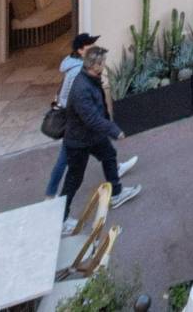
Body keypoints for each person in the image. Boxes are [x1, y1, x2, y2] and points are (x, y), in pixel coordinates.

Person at [58, 45, 142, 225]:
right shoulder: (82, 88)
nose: (104, 65)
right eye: (102, 62)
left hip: (92, 135)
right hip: (79, 140)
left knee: (109, 155)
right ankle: (61, 218)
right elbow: (91, 118)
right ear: (94, 65)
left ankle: (116, 193)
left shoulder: (91, 79)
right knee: (74, 179)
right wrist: (114, 130)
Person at [44, 34, 135, 201]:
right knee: (71, 171)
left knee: (108, 153)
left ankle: (116, 189)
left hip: (88, 130)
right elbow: (80, 106)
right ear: (81, 51)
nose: (93, 47)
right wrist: (112, 129)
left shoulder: (85, 72)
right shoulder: (77, 73)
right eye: (89, 45)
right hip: (78, 130)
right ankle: (53, 199)